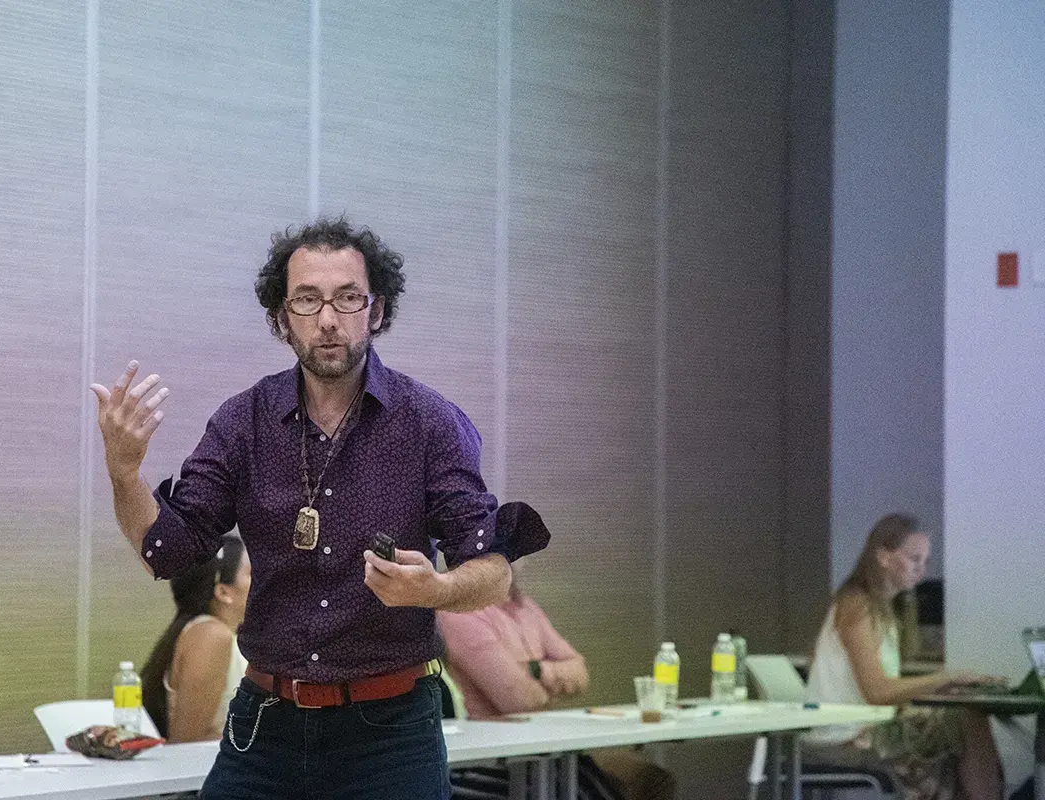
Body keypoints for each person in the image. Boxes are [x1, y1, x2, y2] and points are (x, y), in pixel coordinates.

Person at [90, 217, 546, 800]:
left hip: (390, 733)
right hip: (265, 724)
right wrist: (124, 473)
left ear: (376, 311)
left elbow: (493, 571)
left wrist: (435, 589)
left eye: (348, 298)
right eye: (307, 300)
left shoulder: (428, 422)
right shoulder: (243, 422)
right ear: (283, 318)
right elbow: (166, 550)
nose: (328, 319)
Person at [804, 513, 1003, 800]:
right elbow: (877, 691)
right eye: (914, 559)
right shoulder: (857, 605)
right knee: (964, 719)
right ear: (884, 557)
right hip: (842, 736)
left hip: (862, 727)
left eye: (925, 561)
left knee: (961, 717)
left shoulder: (881, 607)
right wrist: (945, 678)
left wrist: (948, 686)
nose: (921, 569)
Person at [439, 559, 675, 800]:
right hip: (486, 757)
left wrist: (537, 671)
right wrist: (551, 683)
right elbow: (520, 701)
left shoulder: (526, 607)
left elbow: (580, 672)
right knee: (583, 787)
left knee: (649, 778)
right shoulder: (460, 611)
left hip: (542, 745)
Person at [141, 537, 251, 742]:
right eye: (252, 573)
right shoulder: (211, 635)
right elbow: (186, 743)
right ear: (223, 592)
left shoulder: (218, 633)